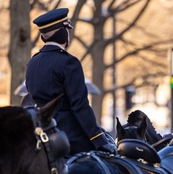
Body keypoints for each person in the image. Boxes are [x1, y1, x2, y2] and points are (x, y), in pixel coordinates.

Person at [25, 8, 116, 157]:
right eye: (67, 29)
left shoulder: (32, 62)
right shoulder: (68, 62)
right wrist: (99, 139)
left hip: (42, 133)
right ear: (62, 33)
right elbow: (80, 106)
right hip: (68, 135)